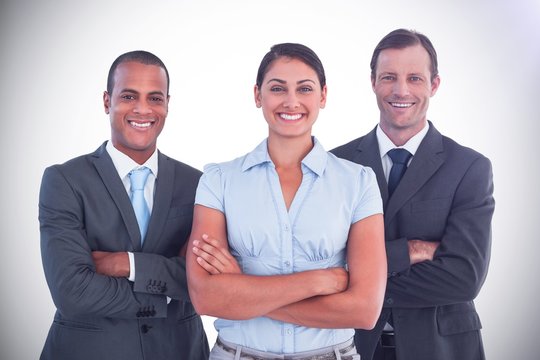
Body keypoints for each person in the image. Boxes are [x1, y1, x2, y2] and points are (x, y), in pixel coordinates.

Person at [186, 43, 387, 359]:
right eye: (277, 88)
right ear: (258, 95)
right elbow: (206, 298)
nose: (291, 101)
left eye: (304, 89)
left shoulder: (358, 182)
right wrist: (320, 280)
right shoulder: (218, 181)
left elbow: (363, 310)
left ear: (322, 95)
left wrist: (243, 289)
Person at [331, 29, 495, 360]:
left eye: (415, 78)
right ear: (373, 82)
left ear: (434, 85)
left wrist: (357, 286)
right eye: (389, 77)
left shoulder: (469, 167)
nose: (401, 90)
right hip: (351, 347)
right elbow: (319, 261)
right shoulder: (335, 165)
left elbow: (464, 277)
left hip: (442, 349)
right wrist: (410, 251)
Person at [39, 50, 209, 360]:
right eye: (129, 96)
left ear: (168, 103)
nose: (143, 109)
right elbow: (72, 292)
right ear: (107, 101)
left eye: (155, 98)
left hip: (179, 351)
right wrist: (167, 298)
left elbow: (207, 283)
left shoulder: (199, 183)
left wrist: (127, 264)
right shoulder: (64, 180)